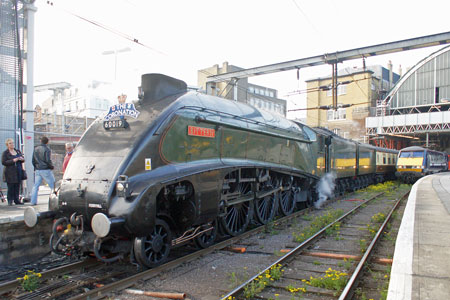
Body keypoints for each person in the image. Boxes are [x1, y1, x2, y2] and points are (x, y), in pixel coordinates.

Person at [30, 136, 55, 206]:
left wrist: (36, 167)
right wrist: (51, 166)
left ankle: (33, 201)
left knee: (35, 186)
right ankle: (55, 201)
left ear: (41, 141)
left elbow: (33, 160)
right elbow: (47, 160)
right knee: (53, 185)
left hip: (38, 169)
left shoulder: (36, 149)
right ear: (47, 142)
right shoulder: (47, 149)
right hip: (46, 169)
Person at [1, 138, 25, 205]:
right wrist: (13, 160)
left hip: (18, 171)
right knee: (11, 186)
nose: (12, 144)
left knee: (17, 186)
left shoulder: (17, 151)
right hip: (10, 172)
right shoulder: (5, 153)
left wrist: (21, 159)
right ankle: (10, 200)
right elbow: (3, 162)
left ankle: (17, 200)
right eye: (10, 143)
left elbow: (23, 159)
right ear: (7, 145)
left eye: (13, 143)